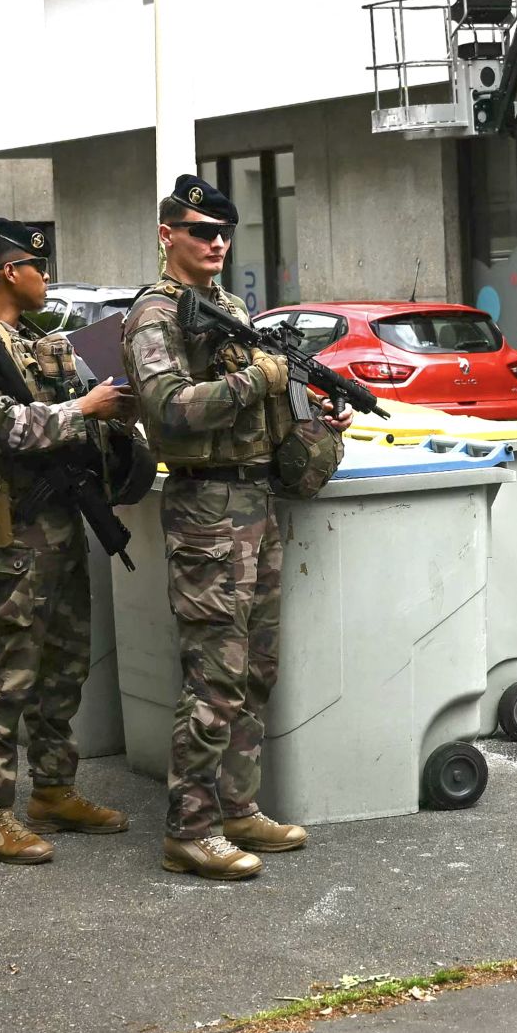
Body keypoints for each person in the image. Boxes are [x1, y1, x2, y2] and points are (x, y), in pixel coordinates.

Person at [120, 175, 352, 881]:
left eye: (225, 231)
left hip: (255, 504)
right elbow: (168, 408)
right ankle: (188, 830)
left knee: (254, 671)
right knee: (213, 675)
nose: (216, 242)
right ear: (168, 234)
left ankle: (238, 806)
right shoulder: (154, 315)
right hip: (206, 511)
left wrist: (312, 416)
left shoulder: (226, 308)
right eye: (200, 230)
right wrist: (262, 378)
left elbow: (261, 400)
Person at [0, 219, 135, 864]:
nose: (46, 280)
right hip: (13, 534)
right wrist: (84, 410)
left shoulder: (28, 341)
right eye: (39, 269)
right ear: (9, 272)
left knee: (65, 665)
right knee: (10, 674)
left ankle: (54, 789)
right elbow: (1, 428)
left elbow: (70, 403)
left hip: (59, 527)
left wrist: (106, 412)